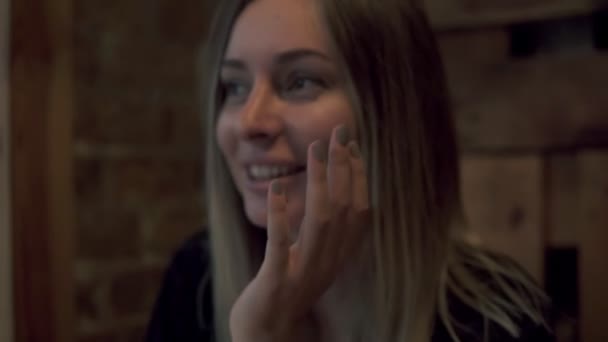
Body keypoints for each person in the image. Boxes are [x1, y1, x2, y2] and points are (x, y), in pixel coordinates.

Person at [146, 0, 556, 341]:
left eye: (300, 81)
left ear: (392, 114)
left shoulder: (499, 322)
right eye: (235, 87)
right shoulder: (195, 282)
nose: (250, 122)